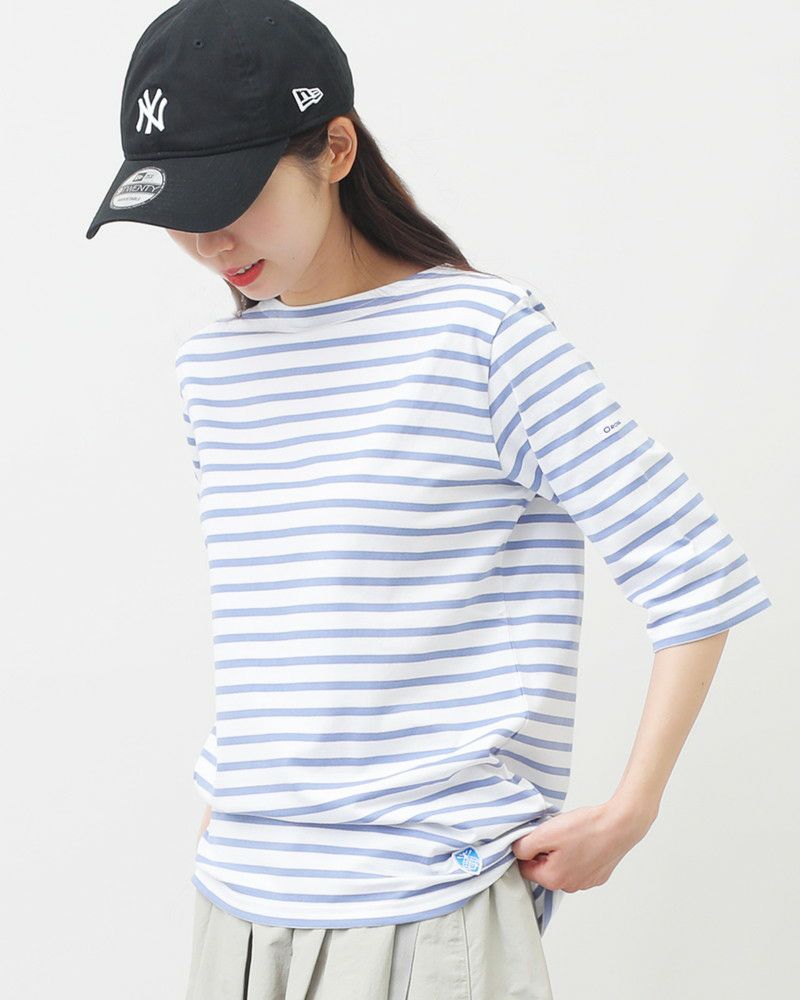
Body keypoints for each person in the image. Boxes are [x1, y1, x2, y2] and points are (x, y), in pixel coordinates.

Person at [85, 2, 772, 998]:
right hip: (237, 901)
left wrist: (630, 812)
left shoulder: (480, 336)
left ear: (335, 148)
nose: (207, 240)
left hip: (429, 898)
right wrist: (229, 802)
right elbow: (282, 624)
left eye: (229, 196)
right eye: (177, 211)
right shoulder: (213, 372)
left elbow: (693, 571)